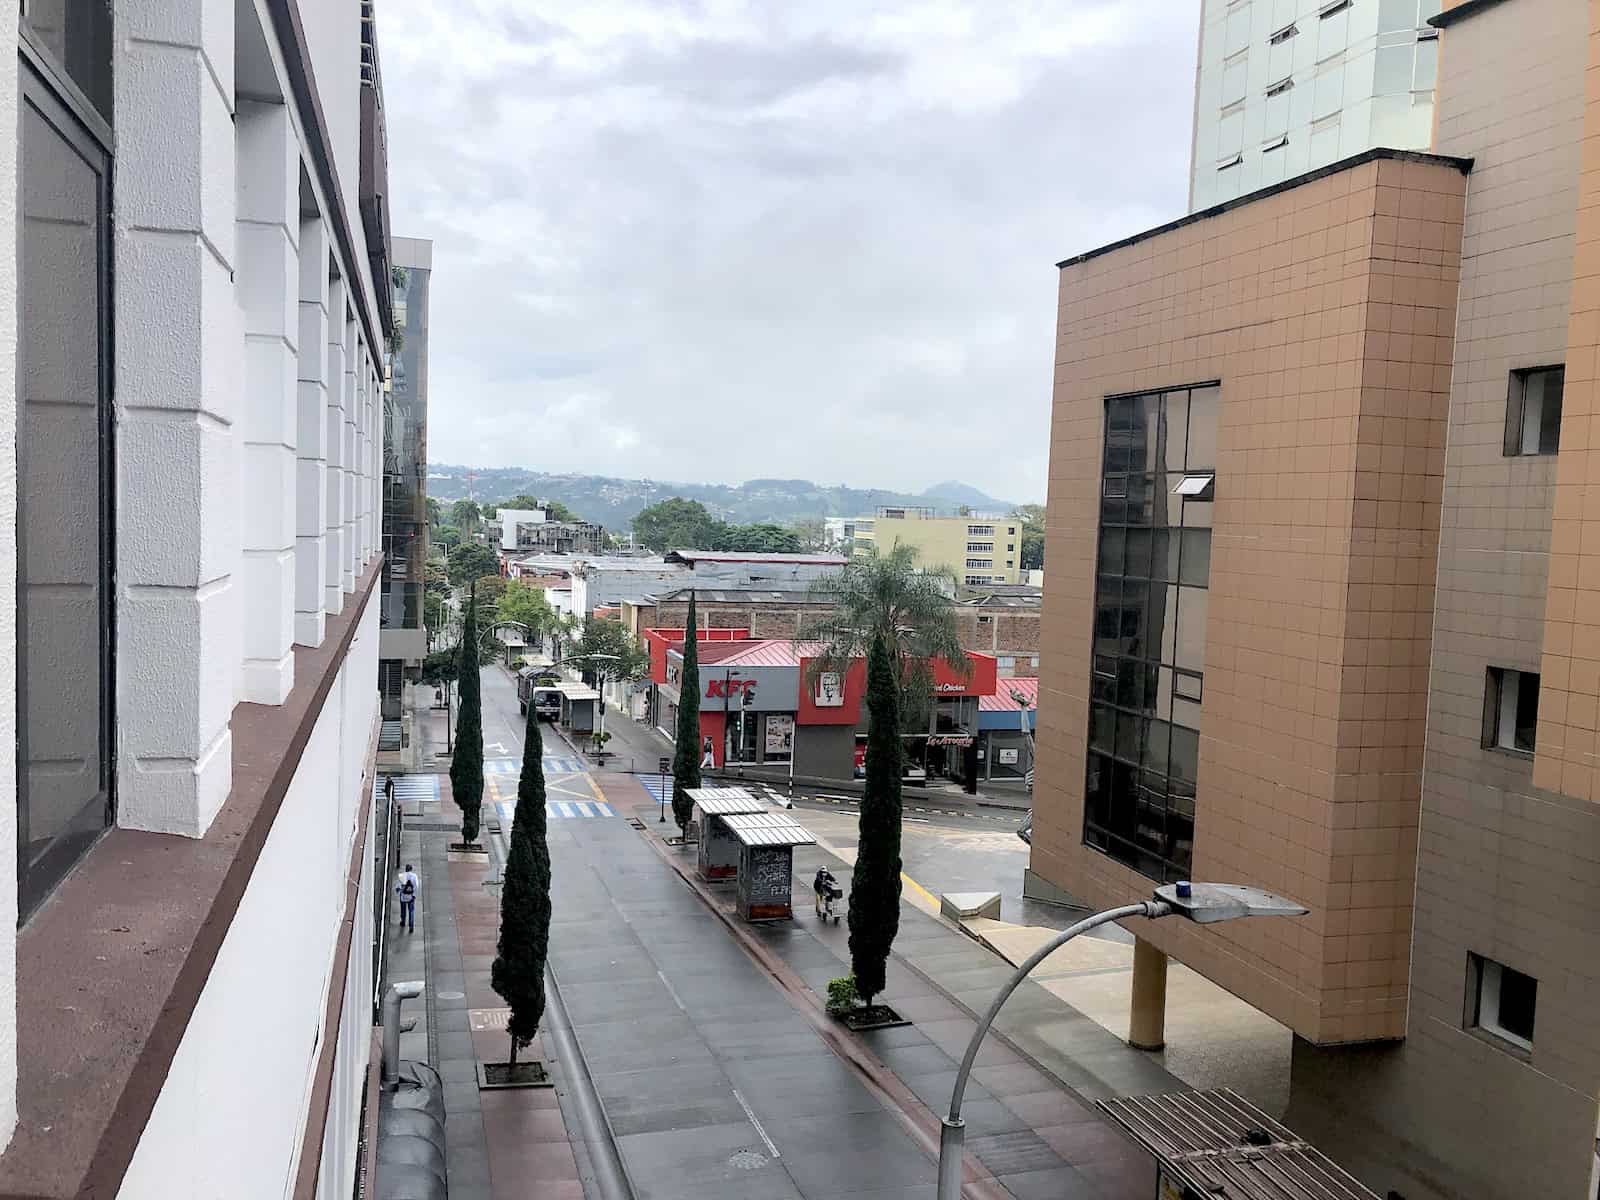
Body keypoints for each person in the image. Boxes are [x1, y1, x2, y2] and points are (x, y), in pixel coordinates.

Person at [395, 863, 420, 934]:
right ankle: (411, 926)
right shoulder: (414, 876)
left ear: (405, 869)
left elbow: (398, 887)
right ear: (411, 869)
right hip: (411, 897)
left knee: (403, 910)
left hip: (403, 896)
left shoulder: (402, 876)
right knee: (411, 911)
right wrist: (414, 895)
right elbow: (416, 886)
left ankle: (403, 921)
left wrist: (399, 891)